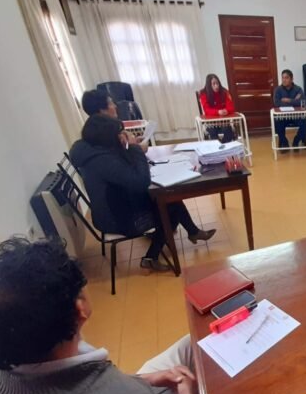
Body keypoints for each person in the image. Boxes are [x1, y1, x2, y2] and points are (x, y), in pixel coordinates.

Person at [0, 237, 199, 394]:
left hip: (124, 389)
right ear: (80, 308)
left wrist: (142, 379)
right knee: (194, 345)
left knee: (190, 345)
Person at [69, 115, 215, 272]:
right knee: (169, 206)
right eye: (119, 133)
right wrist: (135, 150)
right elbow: (140, 180)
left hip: (115, 206)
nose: (122, 135)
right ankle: (152, 256)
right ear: (108, 137)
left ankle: (191, 232)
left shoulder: (92, 151)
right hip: (118, 219)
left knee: (169, 199)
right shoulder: (102, 161)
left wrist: (129, 147)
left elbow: (122, 170)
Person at [82, 89, 148, 152]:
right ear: (102, 110)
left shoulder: (90, 129)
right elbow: (121, 157)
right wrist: (138, 150)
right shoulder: (109, 131)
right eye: (111, 103)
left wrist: (131, 143)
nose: (115, 106)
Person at [273, 69, 306, 149]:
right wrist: (294, 101)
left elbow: (302, 102)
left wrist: (288, 100)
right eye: (283, 78)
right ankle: (284, 142)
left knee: (305, 121)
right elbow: (277, 103)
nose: (284, 80)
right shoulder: (278, 90)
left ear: (291, 79)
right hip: (283, 116)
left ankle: (296, 140)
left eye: (286, 78)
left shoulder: (298, 89)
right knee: (277, 122)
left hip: (297, 116)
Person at [199, 73, 237, 143]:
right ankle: (218, 149)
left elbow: (231, 107)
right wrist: (218, 112)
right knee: (212, 132)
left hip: (224, 122)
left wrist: (227, 111)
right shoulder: (203, 93)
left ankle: (225, 148)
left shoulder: (224, 92)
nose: (216, 86)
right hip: (211, 123)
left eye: (217, 83)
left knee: (228, 131)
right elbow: (206, 110)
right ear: (209, 85)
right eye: (213, 84)